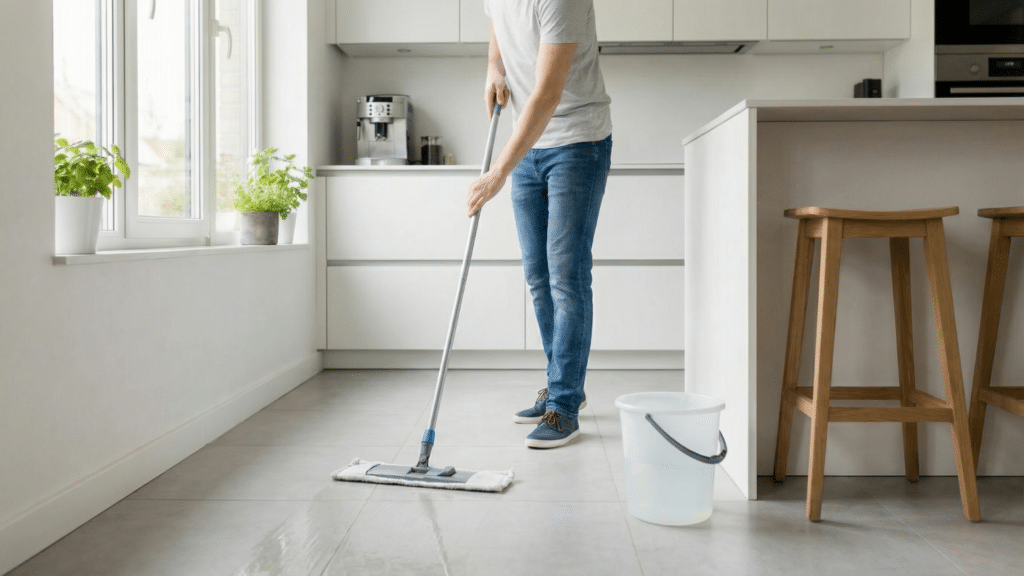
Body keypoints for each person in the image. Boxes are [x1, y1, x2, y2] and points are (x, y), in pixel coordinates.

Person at [468, 0, 612, 449]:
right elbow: (498, 27)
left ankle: (563, 406)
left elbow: (548, 94)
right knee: (539, 278)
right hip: (528, 143)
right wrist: (494, 67)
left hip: (576, 141)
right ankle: (561, 385)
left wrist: (497, 173)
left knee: (566, 278)